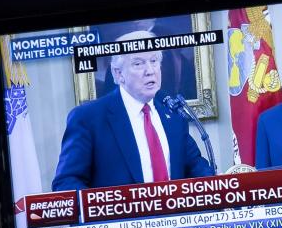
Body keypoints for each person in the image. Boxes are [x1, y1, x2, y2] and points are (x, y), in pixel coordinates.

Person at [51, 31, 213, 191]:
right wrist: (105, 207)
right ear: (118, 74)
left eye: (154, 61)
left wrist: (222, 188)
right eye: (138, 63)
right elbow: (66, 183)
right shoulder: (89, 118)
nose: (150, 70)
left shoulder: (174, 115)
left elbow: (198, 169)